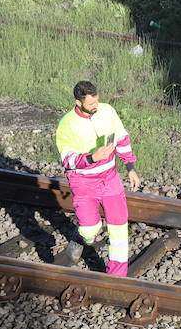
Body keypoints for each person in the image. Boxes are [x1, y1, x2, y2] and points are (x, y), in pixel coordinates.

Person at [55, 80, 140, 276]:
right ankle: (79, 238)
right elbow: (67, 160)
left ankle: (117, 276)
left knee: (119, 227)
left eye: (97, 101)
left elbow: (121, 138)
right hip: (83, 183)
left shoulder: (107, 111)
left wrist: (131, 168)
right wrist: (93, 157)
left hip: (110, 178)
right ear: (78, 102)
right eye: (91, 104)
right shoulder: (66, 124)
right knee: (91, 230)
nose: (96, 107)